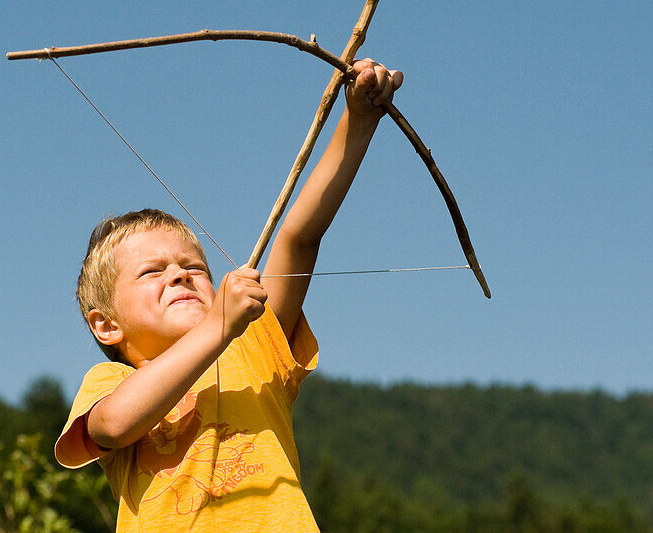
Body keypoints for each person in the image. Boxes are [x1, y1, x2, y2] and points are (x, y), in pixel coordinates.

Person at [54, 59, 403, 530]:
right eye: (152, 272)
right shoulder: (109, 382)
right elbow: (112, 426)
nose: (179, 275)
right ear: (106, 325)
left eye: (194, 267)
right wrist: (219, 325)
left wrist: (357, 120)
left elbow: (299, 238)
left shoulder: (254, 347)